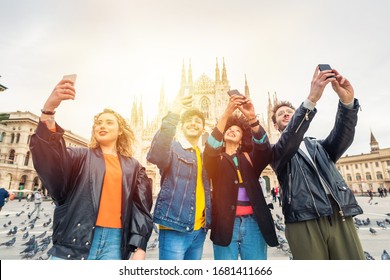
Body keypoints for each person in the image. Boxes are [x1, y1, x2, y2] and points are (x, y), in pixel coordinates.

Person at [29, 77, 153, 260]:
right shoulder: (79, 156)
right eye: (99, 122)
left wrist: (139, 246)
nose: (102, 125)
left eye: (109, 122)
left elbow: (141, 209)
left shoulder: (134, 167)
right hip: (74, 239)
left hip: (115, 243)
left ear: (120, 131)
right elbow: (50, 161)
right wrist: (49, 110)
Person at [270, 65, 365, 260]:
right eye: (281, 114)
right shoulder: (275, 151)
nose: (287, 114)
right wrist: (311, 100)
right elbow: (289, 140)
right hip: (302, 219)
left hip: (337, 213)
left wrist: (347, 103)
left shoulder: (318, 146)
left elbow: (342, 136)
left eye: (290, 111)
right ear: (274, 125)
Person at [204, 94, 278, 260]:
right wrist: (225, 116)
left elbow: (265, 149)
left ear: (242, 138)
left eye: (237, 130)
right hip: (225, 224)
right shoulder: (217, 160)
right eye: (229, 128)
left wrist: (251, 118)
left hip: (253, 223)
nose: (232, 130)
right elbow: (209, 152)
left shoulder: (249, 157)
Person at [146, 95, 212, 260]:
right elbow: (157, 153)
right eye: (189, 120)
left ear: (204, 129)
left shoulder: (204, 155)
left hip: (198, 230)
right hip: (174, 228)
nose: (193, 123)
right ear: (181, 126)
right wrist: (173, 113)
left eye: (198, 121)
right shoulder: (173, 149)